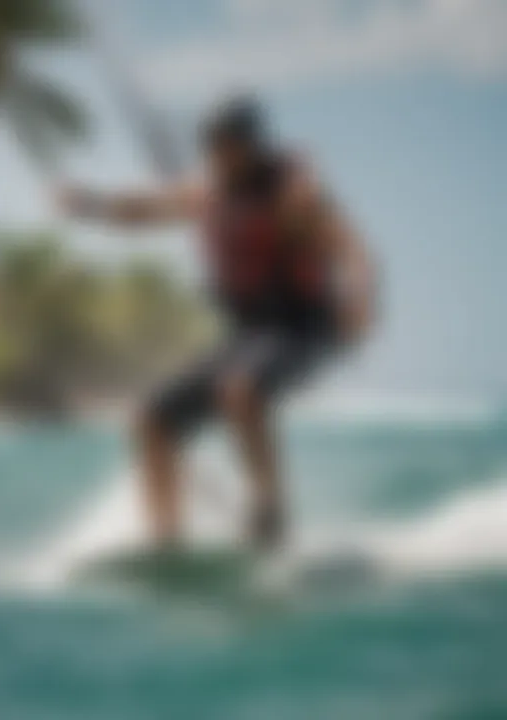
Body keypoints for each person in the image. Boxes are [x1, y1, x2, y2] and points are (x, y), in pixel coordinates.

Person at [60, 98, 376, 548]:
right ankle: (164, 540)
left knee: (239, 389)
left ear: (251, 147)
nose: (217, 155)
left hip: (305, 330)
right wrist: (89, 205)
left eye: (228, 146)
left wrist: (360, 300)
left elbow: (350, 247)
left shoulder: (293, 195)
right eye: (212, 147)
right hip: (248, 336)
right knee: (151, 418)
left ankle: (269, 513)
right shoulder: (209, 194)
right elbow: (143, 212)